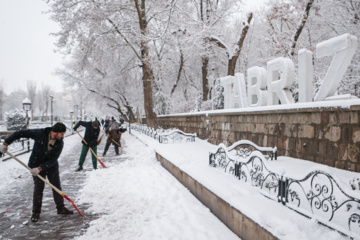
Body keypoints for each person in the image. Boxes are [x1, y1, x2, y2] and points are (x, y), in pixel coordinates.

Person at [0, 122, 73, 222]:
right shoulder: (39, 133)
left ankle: (61, 208)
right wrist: (5, 143)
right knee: (39, 188)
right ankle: (36, 212)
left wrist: (40, 168)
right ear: (54, 132)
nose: (63, 136)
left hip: (51, 166)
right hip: (35, 163)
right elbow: (19, 133)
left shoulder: (60, 143)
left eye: (63, 134)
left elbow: (53, 159)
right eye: (61, 134)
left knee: (56, 186)